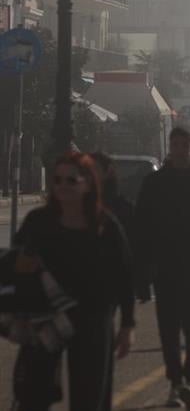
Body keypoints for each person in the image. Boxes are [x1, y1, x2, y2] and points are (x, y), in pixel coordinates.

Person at [11, 152, 135, 410]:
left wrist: (127, 325)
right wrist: (21, 265)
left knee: (89, 396)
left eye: (71, 180)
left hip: (91, 318)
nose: (63, 186)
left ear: (88, 183)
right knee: (34, 393)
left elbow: (124, 276)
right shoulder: (39, 222)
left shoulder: (105, 225)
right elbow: (15, 263)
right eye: (57, 180)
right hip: (47, 317)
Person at [133, 127, 190, 410]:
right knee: (168, 329)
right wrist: (142, 272)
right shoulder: (155, 183)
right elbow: (141, 228)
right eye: (174, 144)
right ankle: (175, 382)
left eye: (184, 145)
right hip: (163, 268)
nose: (179, 150)